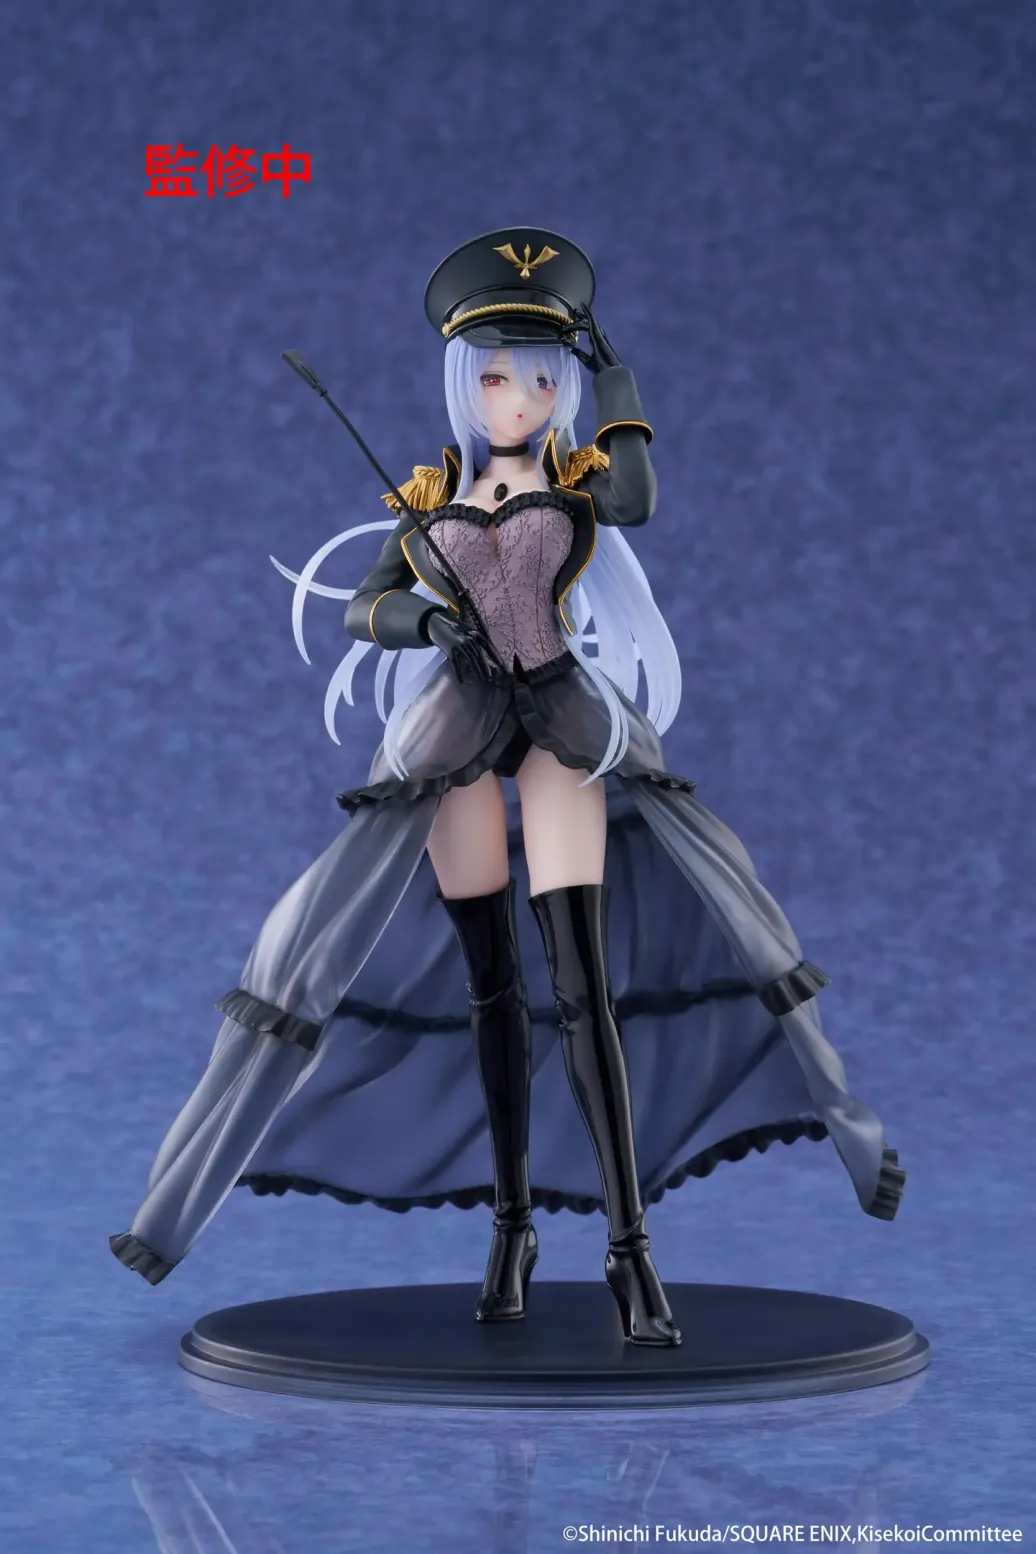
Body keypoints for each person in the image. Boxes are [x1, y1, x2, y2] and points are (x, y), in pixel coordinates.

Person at [111, 228, 905, 1348]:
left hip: (563, 724)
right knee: (493, 990)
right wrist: (419, 619)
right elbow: (363, 606)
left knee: (583, 988)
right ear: (461, 381)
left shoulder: (578, 480)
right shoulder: (428, 491)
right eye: (495, 378)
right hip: (456, 728)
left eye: (541, 379)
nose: (518, 399)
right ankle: (511, 1227)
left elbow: (637, 499)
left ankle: (630, 1249)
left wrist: (618, 379)